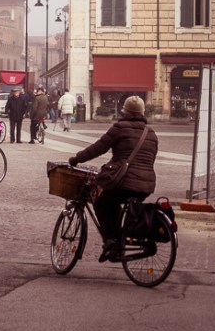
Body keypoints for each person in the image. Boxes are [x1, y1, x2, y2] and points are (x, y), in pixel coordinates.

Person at [68, 96, 158, 262]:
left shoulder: (120, 128)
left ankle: (111, 241)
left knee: (102, 203)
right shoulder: (151, 133)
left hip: (123, 182)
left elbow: (97, 148)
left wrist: (77, 159)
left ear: (125, 112)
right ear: (142, 113)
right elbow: (150, 158)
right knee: (115, 202)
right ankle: (119, 239)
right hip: (146, 185)